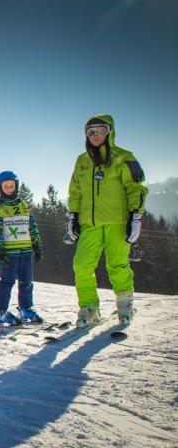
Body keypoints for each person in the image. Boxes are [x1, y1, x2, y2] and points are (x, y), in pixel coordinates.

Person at [66, 114, 148, 327]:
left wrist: (135, 216)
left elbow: (135, 188)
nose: (95, 135)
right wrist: (72, 216)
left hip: (117, 221)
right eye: (90, 131)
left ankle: (125, 304)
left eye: (100, 130)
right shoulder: (82, 161)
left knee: (117, 264)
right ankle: (89, 308)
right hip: (89, 224)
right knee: (82, 264)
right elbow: (75, 191)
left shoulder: (124, 157)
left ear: (109, 131)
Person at [0, 171, 44, 325]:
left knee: (27, 281)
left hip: (26, 251)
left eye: (11, 185)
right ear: (0, 188)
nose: (9, 188)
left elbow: (32, 226)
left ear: (16, 185)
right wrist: (0, 250)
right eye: (5, 186)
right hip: (10, 252)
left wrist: (37, 246)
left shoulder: (24, 205)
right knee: (7, 282)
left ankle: (26, 308)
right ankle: (0, 311)